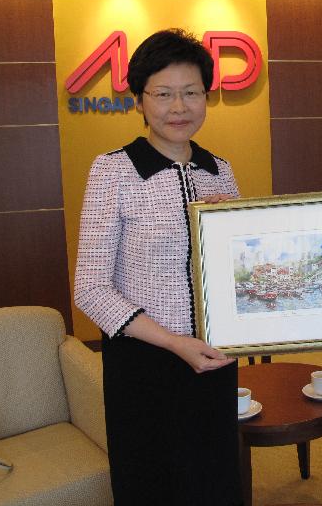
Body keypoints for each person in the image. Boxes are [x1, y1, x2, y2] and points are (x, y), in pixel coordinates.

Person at [74, 28, 242, 505]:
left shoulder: (221, 170)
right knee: (153, 481)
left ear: (207, 96)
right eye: (163, 94)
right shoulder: (113, 170)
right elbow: (90, 288)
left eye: (191, 93)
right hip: (145, 362)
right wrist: (174, 343)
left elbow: (233, 267)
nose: (178, 107)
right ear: (139, 99)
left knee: (213, 476)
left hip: (213, 357)